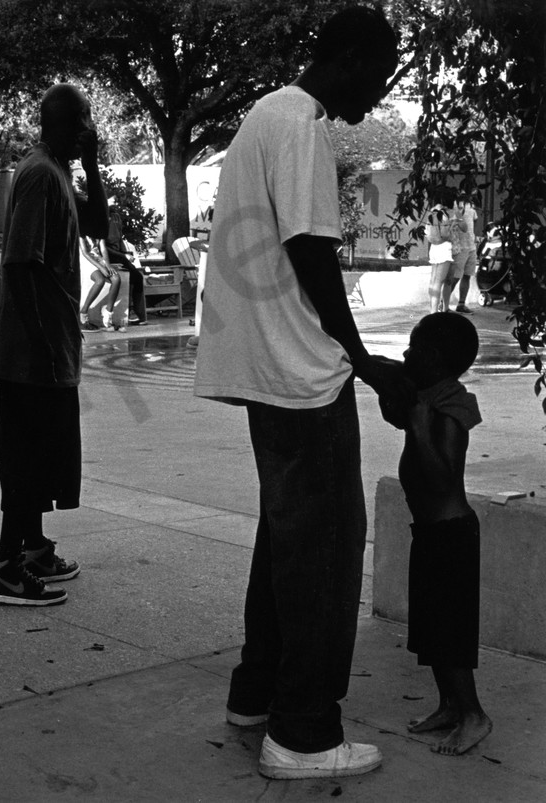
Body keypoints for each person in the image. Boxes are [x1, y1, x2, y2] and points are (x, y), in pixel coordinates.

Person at [193, 6, 413, 779]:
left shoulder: (265, 115)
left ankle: (257, 691)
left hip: (272, 371)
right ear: (348, 58)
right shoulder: (302, 124)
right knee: (325, 547)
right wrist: (363, 360)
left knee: (288, 537)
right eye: (378, 75)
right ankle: (305, 732)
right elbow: (312, 253)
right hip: (302, 377)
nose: (377, 96)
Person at [0, 83, 108, 606]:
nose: (88, 129)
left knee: (43, 453)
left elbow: (97, 224)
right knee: (27, 458)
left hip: (47, 343)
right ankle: (5, 569)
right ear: (57, 123)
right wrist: (42, 346)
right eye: (82, 120)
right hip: (30, 350)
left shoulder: (57, 171)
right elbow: (19, 263)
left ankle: (32, 548)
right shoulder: (38, 175)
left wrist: (93, 165)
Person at [381, 312, 492, 756]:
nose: (406, 354)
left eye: (413, 348)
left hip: (451, 535)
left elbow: (444, 478)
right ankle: (449, 706)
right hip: (430, 532)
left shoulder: (447, 413)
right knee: (431, 628)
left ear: (433, 358)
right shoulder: (427, 397)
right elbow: (389, 387)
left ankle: (474, 714)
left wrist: (421, 430)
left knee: (450, 634)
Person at [101, 199, 147, 325]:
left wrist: (125, 253)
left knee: (137, 277)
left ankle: (138, 312)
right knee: (132, 277)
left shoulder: (116, 218)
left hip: (119, 254)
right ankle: (131, 310)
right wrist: (123, 255)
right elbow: (104, 247)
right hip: (108, 255)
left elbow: (120, 238)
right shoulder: (101, 220)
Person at [79, 235, 126, 332]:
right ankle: (83, 313)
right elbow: (85, 253)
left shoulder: (99, 231)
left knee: (116, 278)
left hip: (97, 258)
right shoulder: (81, 232)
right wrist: (101, 268)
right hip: (85, 259)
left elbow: (103, 249)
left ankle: (108, 313)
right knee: (100, 280)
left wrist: (107, 265)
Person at [426, 188, 457, 313]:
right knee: (439, 282)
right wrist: (452, 227)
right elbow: (445, 234)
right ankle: (434, 312)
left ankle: (432, 310)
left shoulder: (432, 212)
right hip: (444, 248)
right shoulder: (444, 214)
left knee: (433, 280)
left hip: (434, 247)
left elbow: (427, 232)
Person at [449, 193, 479, 314]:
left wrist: (474, 237)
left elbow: (475, 221)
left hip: (471, 246)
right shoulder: (456, 206)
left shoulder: (472, 207)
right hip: (460, 247)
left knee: (467, 275)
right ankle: (443, 303)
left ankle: (461, 304)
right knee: (455, 276)